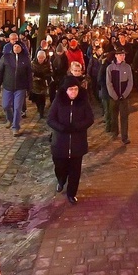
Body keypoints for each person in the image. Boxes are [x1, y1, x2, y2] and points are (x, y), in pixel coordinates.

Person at [47, 76, 94, 204]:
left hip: (77, 143)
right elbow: (50, 119)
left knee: (75, 171)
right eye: (71, 89)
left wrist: (77, 127)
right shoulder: (59, 101)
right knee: (60, 167)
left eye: (75, 89)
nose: (73, 92)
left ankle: (71, 193)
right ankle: (61, 180)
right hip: (60, 142)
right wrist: (62, 128)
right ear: (66, 90)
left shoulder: (83, 101)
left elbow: (90, 119)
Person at [0, 42, 32, 137]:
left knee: (17, 108)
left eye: (18, 46)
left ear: (21, 48)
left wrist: (29, 88)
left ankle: (16, 127)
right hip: (8, 86)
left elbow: (29, 75)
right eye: (14, 46)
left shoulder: (25, 58)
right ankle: (10, 119)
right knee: (6, 105)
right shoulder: (6, 57)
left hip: (20, 87)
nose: (16, 48)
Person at [106, 48, 134, 144]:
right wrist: (114, 95)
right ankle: (115, 132)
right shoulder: (110, 68)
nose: (123, 57)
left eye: (124, 55)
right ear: (116, 56)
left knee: (124, 116)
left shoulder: (127, 67)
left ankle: (124, 136)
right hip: (113, 97)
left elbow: (130, 82)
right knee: (114, 115)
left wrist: (124, 94)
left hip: (124, 97)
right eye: (121, 55)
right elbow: (108, 83)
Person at [30, 50, 52, 119]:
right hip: (35, 83)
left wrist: (46, 76)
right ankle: (39, 108)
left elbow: (51, 72)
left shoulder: (48, 64)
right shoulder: (33, 63)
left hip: (43, 83)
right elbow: (29, 73)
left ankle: (41, 112)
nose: (41, 59)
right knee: (37, 98)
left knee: (42, 98)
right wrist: (34, 77)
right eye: (39, 57)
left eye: (42, 57)